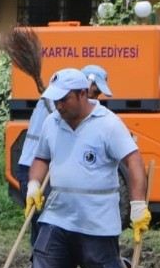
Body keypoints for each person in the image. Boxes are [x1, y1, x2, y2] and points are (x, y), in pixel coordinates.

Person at [0, 67, 150, 268]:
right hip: (57, 220)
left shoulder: (108, 125)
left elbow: (134, 161)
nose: (59, 105)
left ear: (81, 94)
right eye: (56, 100)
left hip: (97, 226)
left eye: (64, 100)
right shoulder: (53, 122)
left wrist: (139, 206)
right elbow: (41, 157)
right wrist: (35, 185)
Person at [15, 64, 114, 246]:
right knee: (47, 228)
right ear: (86, 85)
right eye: (96, 91)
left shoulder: (64, 102)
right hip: (36, 169)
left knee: (52, 229)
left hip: (46, 167)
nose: (96, 97)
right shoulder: (59, 102)